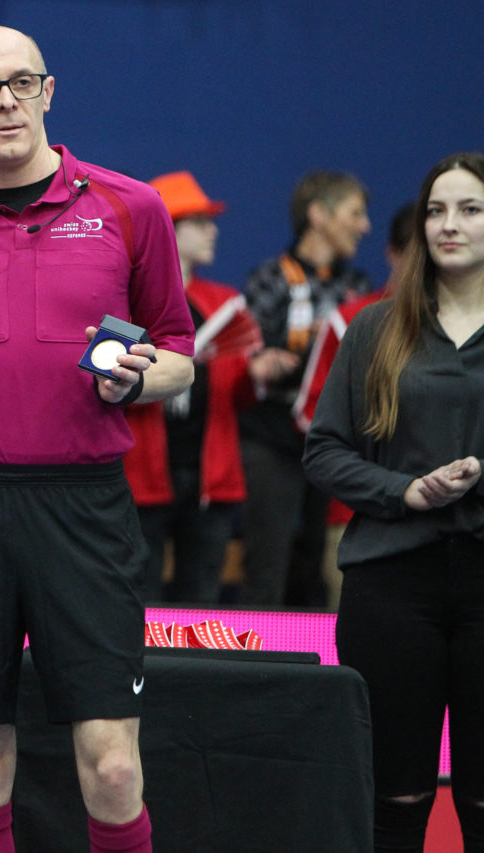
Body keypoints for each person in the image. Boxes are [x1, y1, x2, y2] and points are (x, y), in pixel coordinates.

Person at [0, 27, 194, 853]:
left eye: (21, 82)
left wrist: (141, 376)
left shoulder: (132, 207)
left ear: (49, 91)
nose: (5, 100)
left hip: (84, 509)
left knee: (112, 766)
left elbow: (181, 355)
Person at [303, 152, 484, 852]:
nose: (449, 224)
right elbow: (323, 452)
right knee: (394, 796)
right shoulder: (374, 330)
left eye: (470, 209)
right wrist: (404, 490)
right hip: (391, 583)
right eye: (437, 209)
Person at [123, 172, 265, 603]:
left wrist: (257, 376)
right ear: (168, 226)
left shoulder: (224, 303)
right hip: (141, 474)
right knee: (136, 593)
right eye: (199, 221)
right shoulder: (125, 296)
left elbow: (241, 399)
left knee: (201, 599)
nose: (213, 229)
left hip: (209, 476)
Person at [240, 170, 372, 606]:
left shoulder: (357, 290)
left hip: (333, 440)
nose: (364, 225)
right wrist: (264, 361)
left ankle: (322, 666)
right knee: (267, 561)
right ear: (318, 214)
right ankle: (255, 669)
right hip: (272, 439)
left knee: (324, 558)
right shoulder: (270, 280)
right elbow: (240, 358)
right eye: (355, 213)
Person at [293, 202, 416, 610]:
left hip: (448, 526)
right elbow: (310, 414)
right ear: (392, 254)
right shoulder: (351, 321)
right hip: (353, 518)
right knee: (353, 646)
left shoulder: (468, 330)